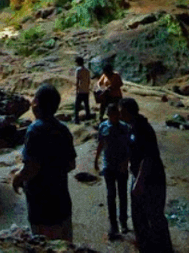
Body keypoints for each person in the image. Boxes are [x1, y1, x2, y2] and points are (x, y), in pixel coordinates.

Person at [12, 83, 77, 241]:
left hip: (42, 207)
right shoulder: (63, 129)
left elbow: (32, 168)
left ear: (36, 104)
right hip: (62, 203)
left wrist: (18, 178)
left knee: (45, 244)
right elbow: (71, 164)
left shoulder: (35, 130)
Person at [119, 98, 172, 252]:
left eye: (122, 111)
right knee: (138, 215)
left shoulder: (143, 128)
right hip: (138, 175)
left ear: (129, 111)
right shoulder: (131, 127)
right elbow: (132, 150)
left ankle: (164, 249)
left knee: (155, 216)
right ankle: (145, 246)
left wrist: (139, 181)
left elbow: (148, 157)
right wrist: (127, 163)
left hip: (151, 178)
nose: (120, 114)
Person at [94, 100, 132, 240]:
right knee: (111, 196)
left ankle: (123, 222)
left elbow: (129, 147)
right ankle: (113, 225)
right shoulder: (103, 126)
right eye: (111, 114)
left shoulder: (125, 127)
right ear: (108, 115)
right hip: (108, 166)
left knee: (122, 195)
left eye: (116, 114)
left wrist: (126, 162)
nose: (114, 117)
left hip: (121, 166)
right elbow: (100, 143)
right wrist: (96, 159)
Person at [74, 57, 93, 124]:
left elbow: (77, 80)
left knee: (77, 106)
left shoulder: (78, 70)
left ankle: (76, 119)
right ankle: (88, 118)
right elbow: (88, 80)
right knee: (86, 105)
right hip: (86, 90)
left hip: (80, 90)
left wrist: (76, 89)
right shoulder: (87, 70)